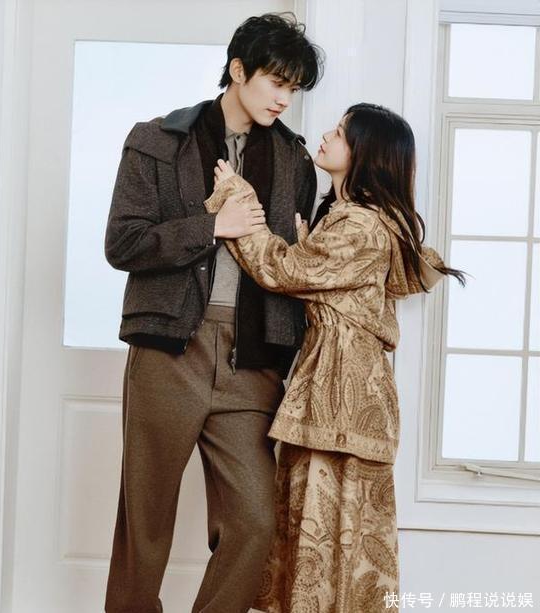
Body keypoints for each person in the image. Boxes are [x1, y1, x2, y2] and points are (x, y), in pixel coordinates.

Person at [103, 12, 324, 613]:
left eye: (294, 88)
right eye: (276, 82)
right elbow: (123, 243)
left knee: (254, 521)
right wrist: (211, 226)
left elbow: (291, 260)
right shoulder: (156, 140)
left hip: (253, 355)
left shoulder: (296, 161)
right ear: (238, 70)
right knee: (146, 519)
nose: (284, 99)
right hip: (170, 348)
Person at [205, 103, 466, 613]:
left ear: (366, 153)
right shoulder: (353, 222)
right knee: (320, 537)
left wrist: (239, 198)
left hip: (341, 399)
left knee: (330, 536)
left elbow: (282, 270)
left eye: (341, 133)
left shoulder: (361, 228)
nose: (326, 136)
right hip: (334, 390)